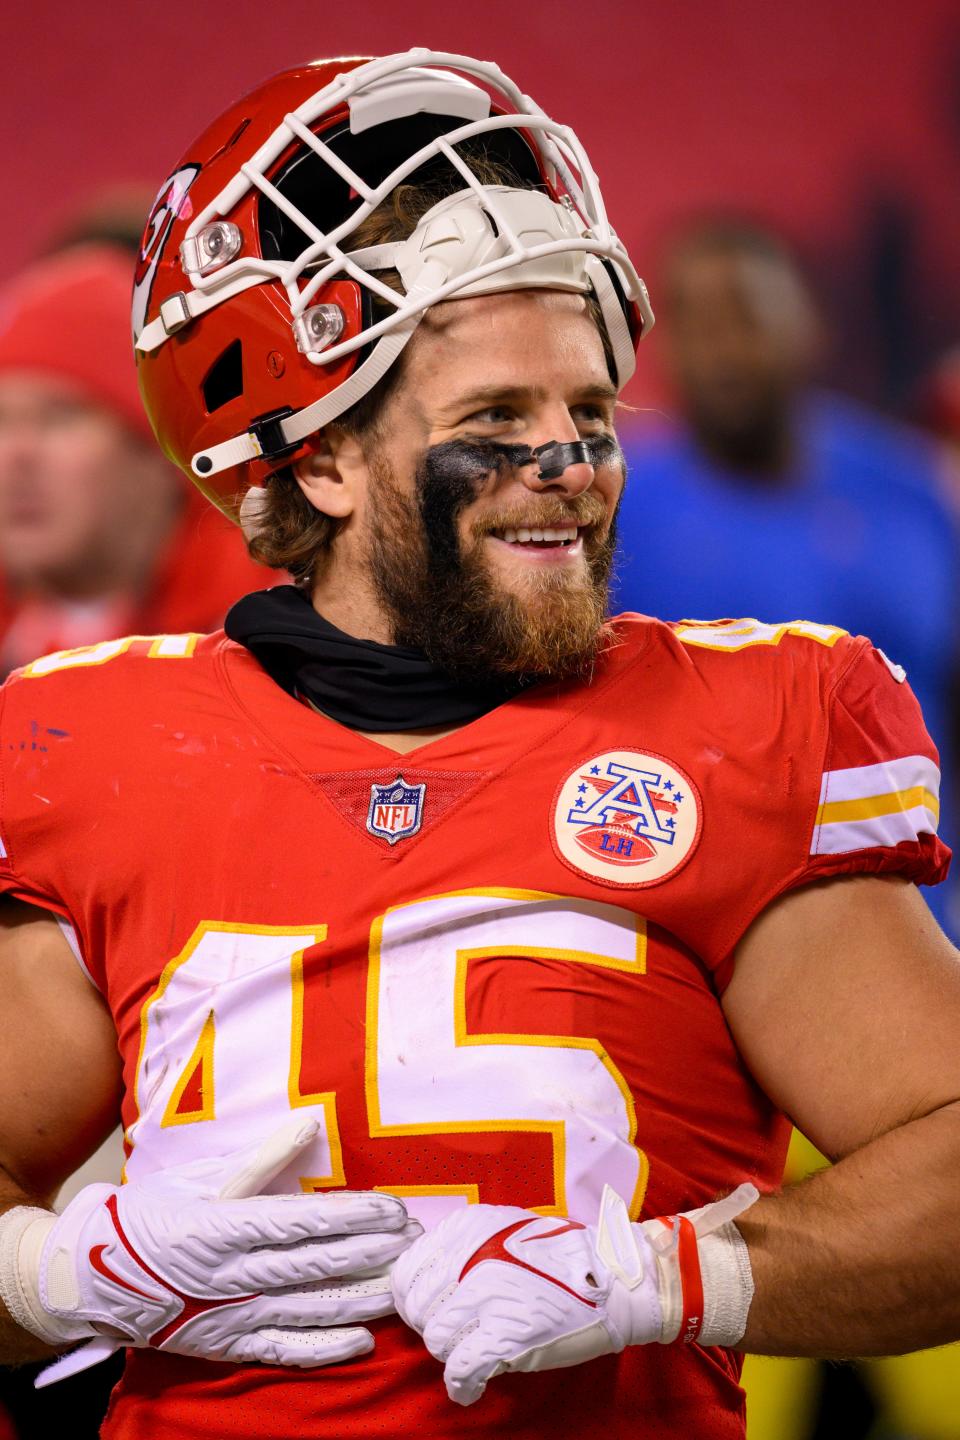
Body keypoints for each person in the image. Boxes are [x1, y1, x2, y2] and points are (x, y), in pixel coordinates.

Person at [0, 49, 957, 1440]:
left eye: (589, 411)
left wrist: (670, 1275)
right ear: (318, 459)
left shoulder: (748, 731)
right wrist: (52, 1270)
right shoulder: (93, 743)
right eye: (495, 422)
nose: (570, 464)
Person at [611, 219, 960, 937]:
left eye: (745, 314)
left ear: (806, 321)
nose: (724, 349)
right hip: (695, 942)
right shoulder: (611, 510)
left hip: (918, 928)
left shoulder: (911, 493)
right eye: (695, 322)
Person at [0, 244, 273, 676]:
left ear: (160, 453)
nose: (16, 455)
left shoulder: (269, 635)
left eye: (59, 417)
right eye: (1, 421)